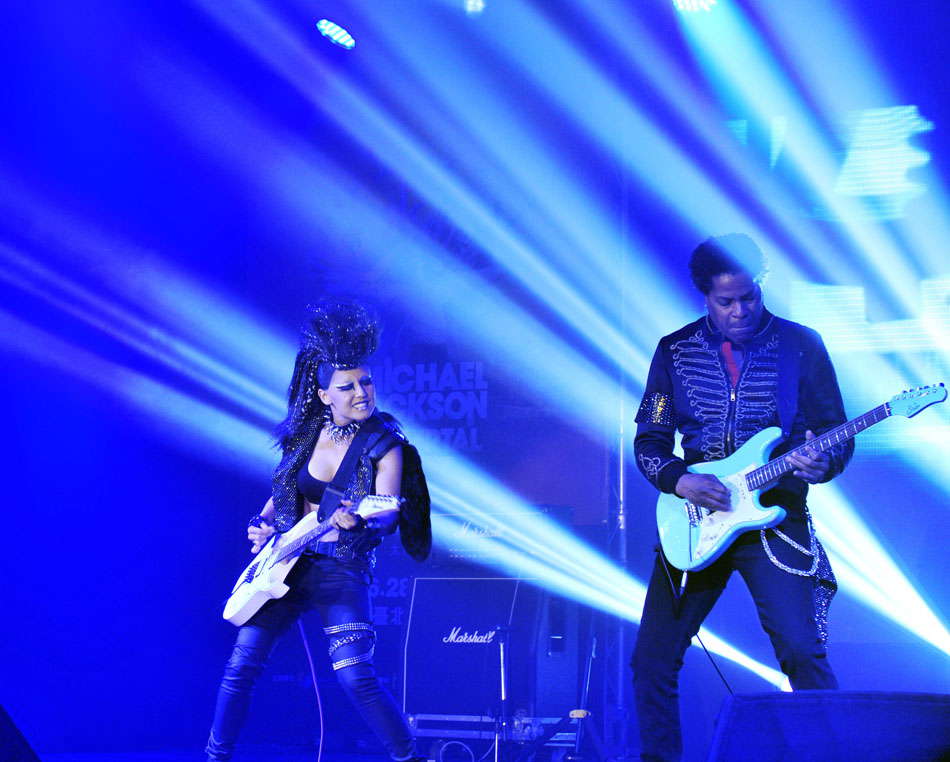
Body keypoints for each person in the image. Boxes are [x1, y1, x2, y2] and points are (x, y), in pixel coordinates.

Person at [630, 234, 853, 762]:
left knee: (802, 651)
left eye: (748, 297)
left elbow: (835, 429)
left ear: (761, 285)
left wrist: (825, 463)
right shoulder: (674, 350)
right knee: (652, 660)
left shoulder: (802, 345)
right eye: (724, 302)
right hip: (694, 519)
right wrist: (677, 479)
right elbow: (650, 440)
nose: (739, 311)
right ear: (704, 296)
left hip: (776, 517)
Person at [205, 301, 431, 762]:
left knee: (355, 675)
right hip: (286, 563)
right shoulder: (307, 434)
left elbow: (387, 509)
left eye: (366, 382)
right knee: (241, 665)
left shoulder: (387, 444)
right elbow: (284, 490)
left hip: (341, 569)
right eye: (346, 386)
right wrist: (261, 522)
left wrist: (361, 517)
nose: (361, 392)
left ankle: (411, 758)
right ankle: (215, 756)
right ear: (324, 394)